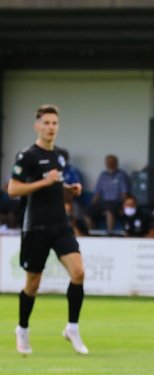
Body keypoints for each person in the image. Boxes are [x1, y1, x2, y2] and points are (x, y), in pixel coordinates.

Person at [7, 104, 89, 355]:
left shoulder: (61, 154)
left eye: (54, 123)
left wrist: (69, 190)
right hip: (36, 227)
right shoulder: (27, 156)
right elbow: (12, 190)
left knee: (79, 272)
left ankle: (72, 328)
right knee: (33, 283)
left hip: (60, 225)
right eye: (46, 123)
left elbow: (55, 185)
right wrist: (46, 181)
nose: (51, 127)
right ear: (37, 126)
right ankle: (22, 329)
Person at [85, 154, 131, 234]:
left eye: (112, 162)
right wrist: (92, 204)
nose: (110, 164)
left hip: (116, 202)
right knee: (87, 212)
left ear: (116, 163)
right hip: (103, 202)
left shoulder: (121, 175)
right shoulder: (103, 175)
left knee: (109, 211)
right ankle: (92, 233)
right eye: (108, 162)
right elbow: (97, 193)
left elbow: (125, 193)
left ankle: (110, 233)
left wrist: (123, 206)